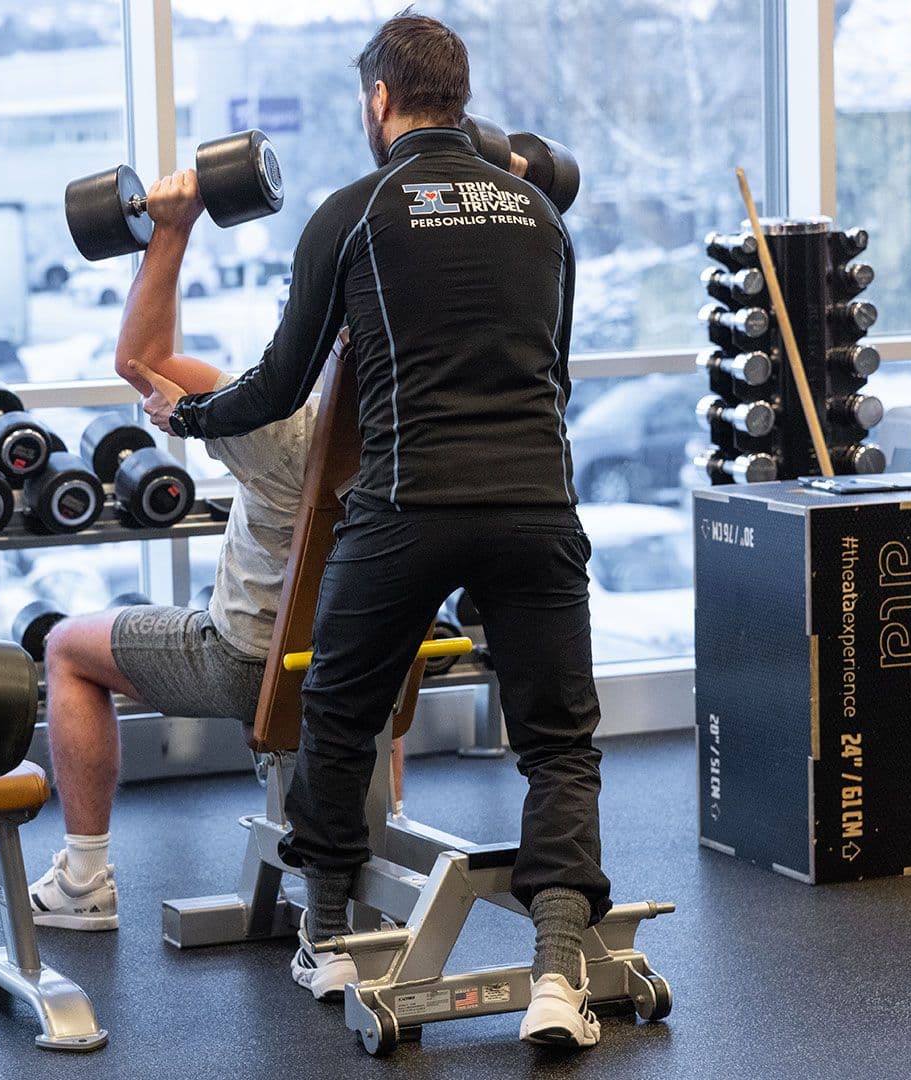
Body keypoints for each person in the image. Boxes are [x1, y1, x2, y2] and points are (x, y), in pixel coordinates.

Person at [147, 11, 610, 1050]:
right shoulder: (541, 216)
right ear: (463, 98)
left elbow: (277, 386)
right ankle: (553, 976)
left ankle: (324, 939)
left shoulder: (353, 214)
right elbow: (557, 378)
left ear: (379, 102)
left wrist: (187, 415)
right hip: (536, 507)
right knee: (559, 746)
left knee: (338, 718)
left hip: (406, 510)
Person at [26, 168, 320, 930]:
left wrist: (174, 228)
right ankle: (352, 854)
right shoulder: (423, 430)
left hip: (251, 664)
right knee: (377, 653)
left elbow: (141, 358)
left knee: (64, 646)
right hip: (364, 662)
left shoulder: (282, 426)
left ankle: (84, 878)